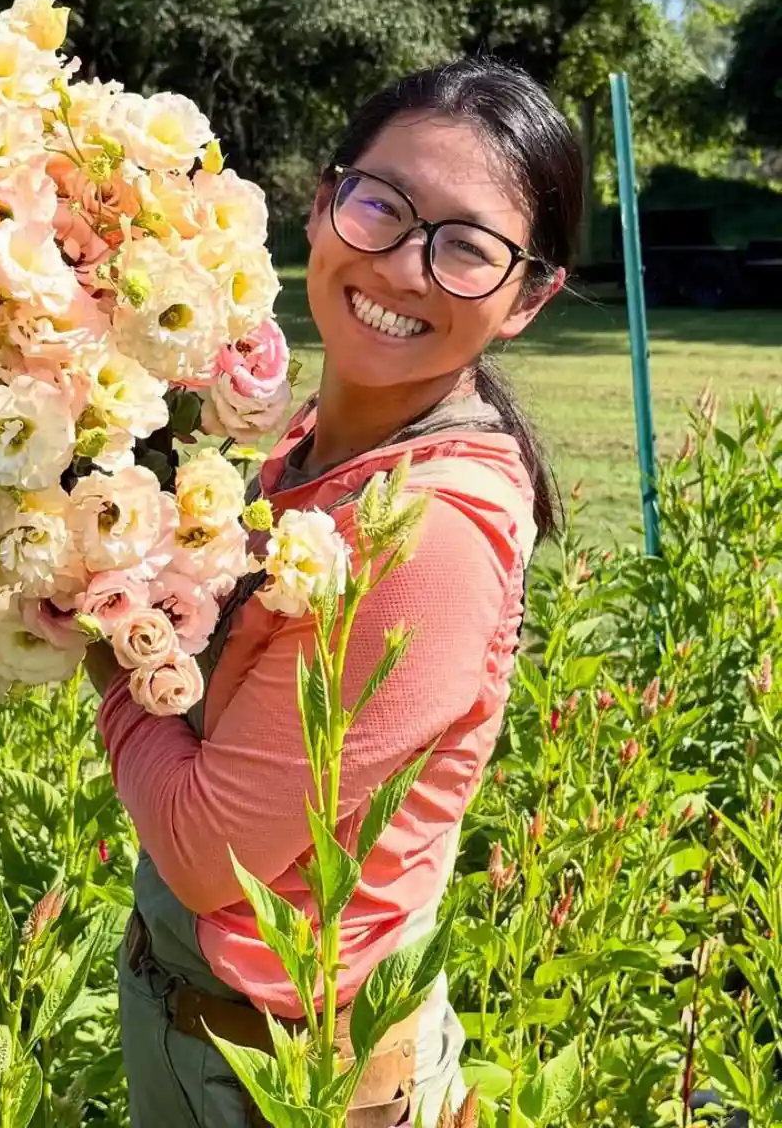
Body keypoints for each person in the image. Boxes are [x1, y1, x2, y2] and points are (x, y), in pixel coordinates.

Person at [85, 56, 583, 1128]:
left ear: (529, 297)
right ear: (323, 205)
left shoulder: (429, 531)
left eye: (467, 247)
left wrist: (103, 630)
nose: (404, 267)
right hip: (209, 1040)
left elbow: (207, 852)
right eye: (382, 206)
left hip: (295, 1085)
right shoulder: (317, 448)